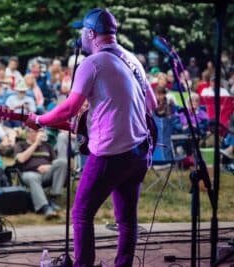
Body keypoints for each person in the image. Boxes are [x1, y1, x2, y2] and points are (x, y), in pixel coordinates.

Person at [25, 8, 157, 267]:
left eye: (82, 32)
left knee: (82, 213)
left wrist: (40, 120)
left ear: (91, 33)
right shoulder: (132, 59)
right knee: (127, 220)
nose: (80, 37)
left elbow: (69, 108)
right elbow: (151, 104)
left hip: (109, 154)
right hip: (139, 151)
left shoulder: (92, 63)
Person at [14, 127, 67, 218]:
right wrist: (35, 143)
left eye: (39, 131)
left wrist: (49, 167)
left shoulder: (47, 146)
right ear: (28, 133)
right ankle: (45, 207)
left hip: (46, 174)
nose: (37, 133)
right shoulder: (20, 144)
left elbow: (55, 163)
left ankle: (53, 198)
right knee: (32, 177)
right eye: (34, 131)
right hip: (29, 173)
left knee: (62, 162)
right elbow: (21, 159)